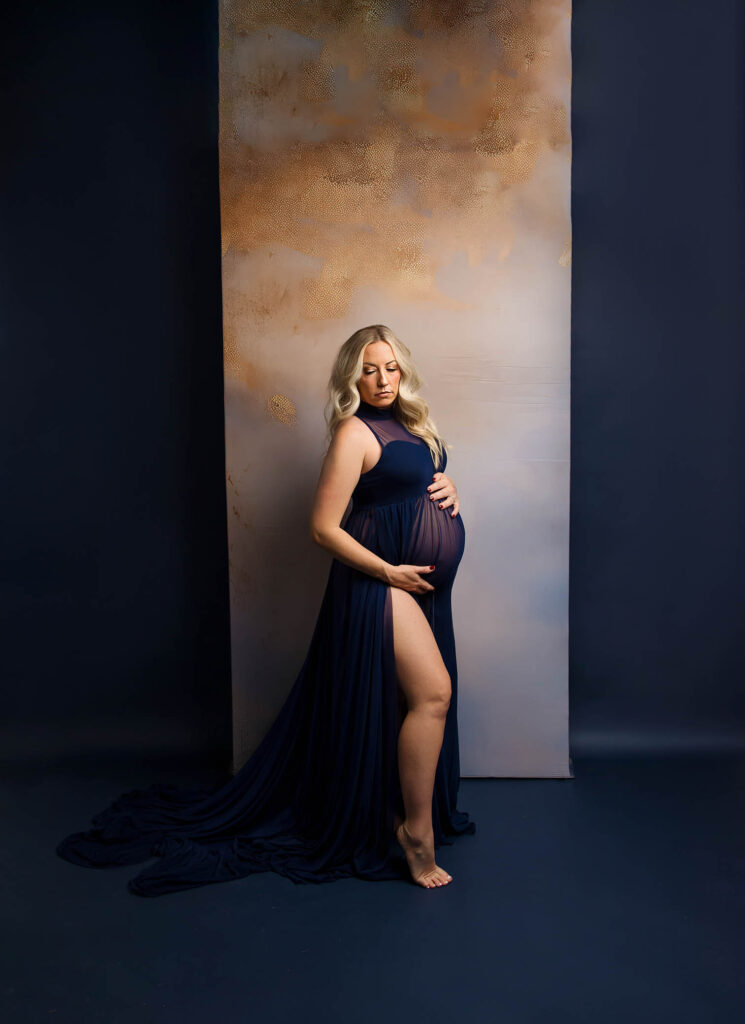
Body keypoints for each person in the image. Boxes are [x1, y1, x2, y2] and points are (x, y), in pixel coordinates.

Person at [56, 324, 475, 895]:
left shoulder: (412, 423)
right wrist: (387, 572)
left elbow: (415, 484)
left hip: (419, 586)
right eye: (370, 369)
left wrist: (448, 487)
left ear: (404, 371)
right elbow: (322, 528)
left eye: (391, 368)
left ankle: (390, 811)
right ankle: (415, 835)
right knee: (434, 694)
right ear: (353, 375)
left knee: (403, 701)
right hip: (381, 583)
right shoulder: (354, 432)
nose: (382, 379)